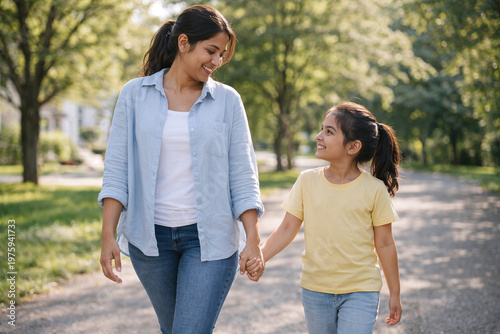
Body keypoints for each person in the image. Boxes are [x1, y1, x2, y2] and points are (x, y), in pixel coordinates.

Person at [98, 5, 264, 333]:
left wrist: (253, 239)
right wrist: (107, 235)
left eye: (222, 54)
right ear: (184, 43)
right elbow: (117, 169)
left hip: (210, 241)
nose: (217, 62)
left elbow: (242, 173)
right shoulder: (134, 95)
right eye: (211, 51)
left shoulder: (228, 101)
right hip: (151, 241)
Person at [248, 101, 402, 333]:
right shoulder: (307, 181)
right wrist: (261, 258)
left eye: (329, 131)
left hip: (361, 289)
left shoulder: (374, 190)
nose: (319, 136)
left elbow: (385, 243)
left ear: (353, 147)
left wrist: (395, 293)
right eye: (322, 129)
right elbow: (288, 228)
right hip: (315, 290)